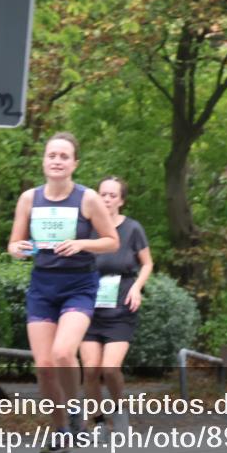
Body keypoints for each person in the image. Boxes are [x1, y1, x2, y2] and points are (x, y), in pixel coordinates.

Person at [7, 132, 119, 453]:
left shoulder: (87, 199)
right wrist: (19, 248)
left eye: (64, 157)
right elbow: (13, 243)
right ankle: (60, 430)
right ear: (44, 161)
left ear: (74, 164)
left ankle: (77, 417)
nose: (57, 161)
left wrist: (81, 243)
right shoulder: (29, 199)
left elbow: (112, 240)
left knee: (62, 354)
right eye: (51, 155)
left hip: (78, 285)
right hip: (42, 285)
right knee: (44, 366)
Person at [81, 176, 153, 438]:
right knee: (90, 369)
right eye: (103, 194)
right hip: (88, 309)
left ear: (121, 200)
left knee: (110, 368)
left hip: (120, 310)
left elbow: (147, 263)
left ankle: (120, 415)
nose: (107, 199)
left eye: (112, 195)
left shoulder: (132, 229)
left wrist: (136, 287)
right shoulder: (88, 228)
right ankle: (98, 422)